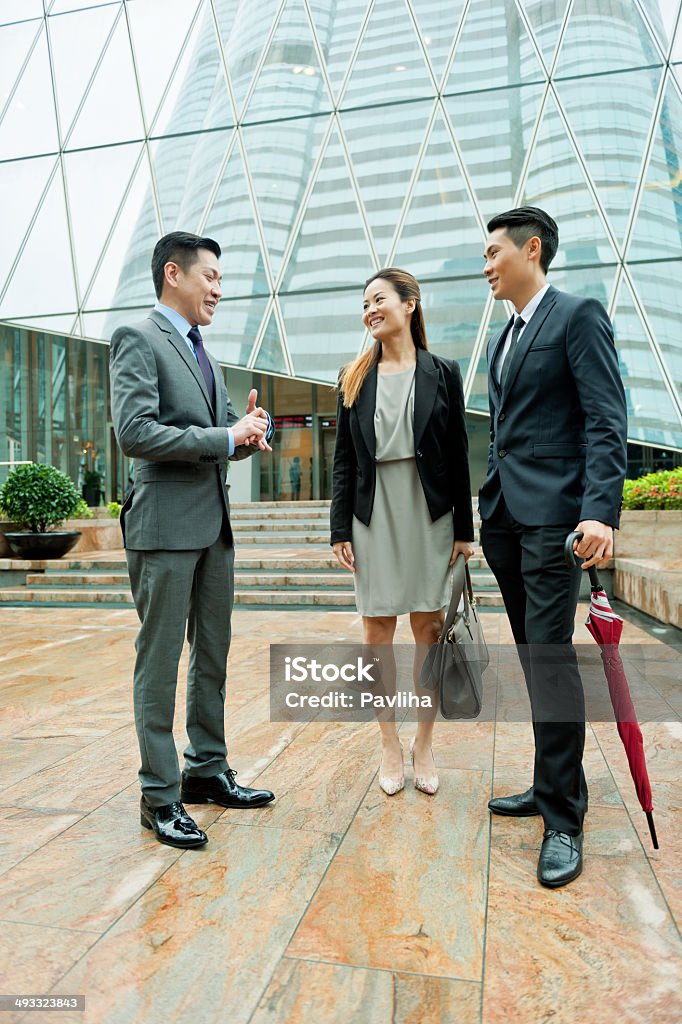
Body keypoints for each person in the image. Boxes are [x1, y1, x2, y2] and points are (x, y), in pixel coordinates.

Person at [110, 231, 276, 850]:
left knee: (212, 654)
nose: (218, 289)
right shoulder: (139, 339)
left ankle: (206, 769)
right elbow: (135, 432)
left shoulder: (205, 351)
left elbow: (217, 436)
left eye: (220, 280)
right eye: (209, 276)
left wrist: (247, 435)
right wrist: (223, 438)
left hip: (212, 525)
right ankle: (160, 796)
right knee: (159, 663)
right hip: (164, 528)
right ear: (173, 274)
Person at [479, 207, 627, 887]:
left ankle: (565, 817)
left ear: (530, 250)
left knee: (551, 662)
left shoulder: (577, 314)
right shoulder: (503, 337)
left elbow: (605, 417)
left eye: (492, 253)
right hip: (507, 520)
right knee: (535, 660)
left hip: (554, 521)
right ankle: (546, 786)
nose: (485, 265)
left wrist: (600, 511)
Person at [331, 268, 475, 796]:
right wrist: (338, 527)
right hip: (373, 515)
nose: (370, 310)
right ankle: (388, 742)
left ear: (410, 304)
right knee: (376, 634)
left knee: (429, 633)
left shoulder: (443, 372)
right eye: (365, 303)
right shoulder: (352, 375)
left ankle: (424, 742)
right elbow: (344, 461)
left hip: (428, 512)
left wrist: (464, 527)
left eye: (379, 300)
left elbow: (459, 454)